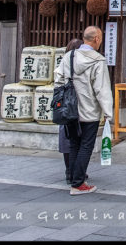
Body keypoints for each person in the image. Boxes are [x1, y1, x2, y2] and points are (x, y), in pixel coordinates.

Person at [54, 26, 114, 195]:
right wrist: (108, 112)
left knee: (74, 144)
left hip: (70, 110)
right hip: (89, 111)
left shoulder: (69, 57)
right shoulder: (98, 61)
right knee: (86, 146)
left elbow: (58, 79)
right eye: (100, 37)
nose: (101, 41)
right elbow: (102, 89)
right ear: (96, 39)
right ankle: (78, 184)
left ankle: (74, 178)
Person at [57, 38, 84, 184]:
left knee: (67, 138)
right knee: (78, 139)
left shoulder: (63, 63)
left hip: (64, 105)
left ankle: (69, 171)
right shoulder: (82, 64)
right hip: (78, 105)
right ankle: (76, 172)